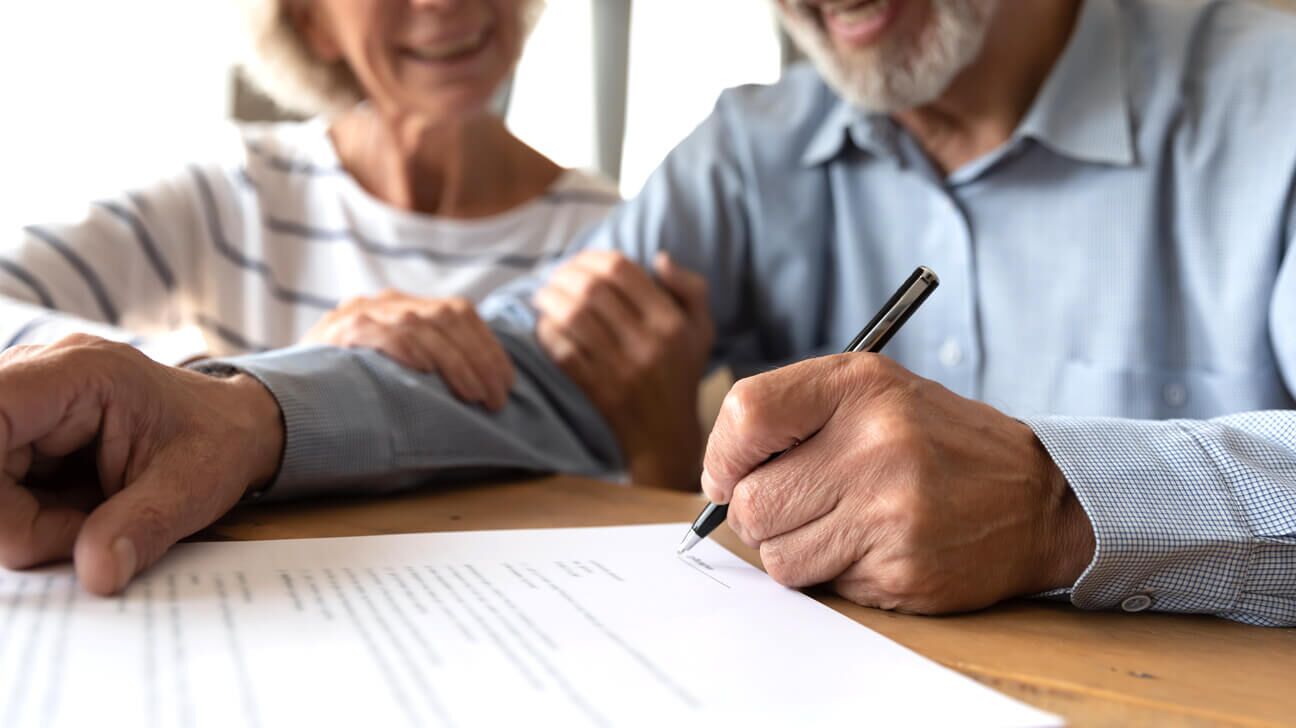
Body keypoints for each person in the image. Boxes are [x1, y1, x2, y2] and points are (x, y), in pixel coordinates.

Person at [1, 0, 1294, 629]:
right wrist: (244, 415)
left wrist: (1055, 501)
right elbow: (523, 364)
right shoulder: (748, 150)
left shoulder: (1272, 98)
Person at [0, 0, 619, 411]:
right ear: (313, 23)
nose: (441, 1)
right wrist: (241, 387)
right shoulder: (238, 190)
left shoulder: (613, 233)